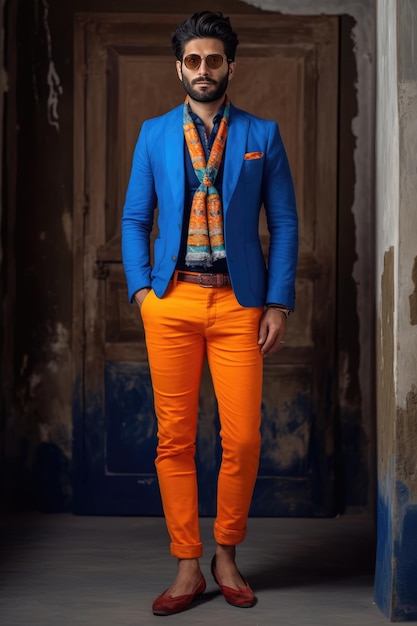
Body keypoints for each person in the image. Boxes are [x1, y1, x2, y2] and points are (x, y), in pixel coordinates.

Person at [121, 10, 298, 616]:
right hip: (171, 302)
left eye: (213, 59)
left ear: (230, 65)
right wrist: (143, 294)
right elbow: (135, 220)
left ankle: (227, 552)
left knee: (242, 439)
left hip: (238, 304)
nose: (203, 69)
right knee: (174, 440)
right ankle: (187, 565)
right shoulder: (154, 134)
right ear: (179, 68)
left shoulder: (262, 134)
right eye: (193, 60)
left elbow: (285, 222)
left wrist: (277, 300)